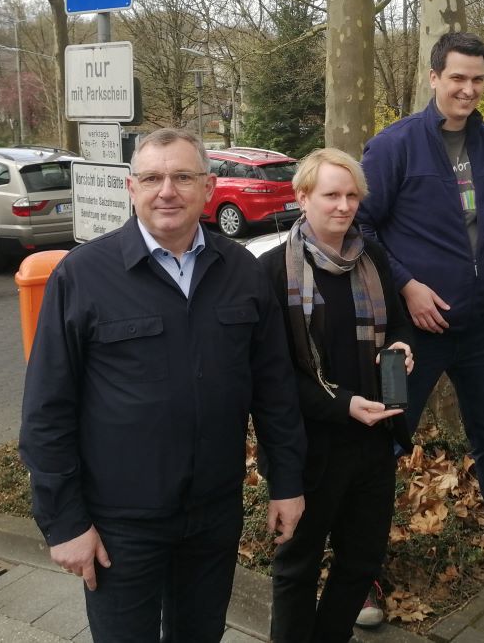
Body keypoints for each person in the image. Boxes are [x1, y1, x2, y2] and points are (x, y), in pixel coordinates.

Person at [19, 128, 306, 643]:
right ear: (132, 188)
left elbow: (274, 390)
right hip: (120, 522)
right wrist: (63, 522)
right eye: (151, 177)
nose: (166, 190)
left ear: (209, 186)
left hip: (214, 512)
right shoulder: (83, 276)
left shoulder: (241, 271)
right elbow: (46, 409)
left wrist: (286, 482)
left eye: (182, 177)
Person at [356, 31, 484, 611]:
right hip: (413, 334)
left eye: (477, 79)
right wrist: (407, 285)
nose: (468, 89)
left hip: (481, 327)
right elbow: (361, 229)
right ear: (434, 78)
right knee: (388, 445)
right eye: (458, 78)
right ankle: (365, 570)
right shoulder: (393, 146)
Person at [259, 147, 414, 643]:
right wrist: (341, 403)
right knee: (297, 567)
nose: (344, 206)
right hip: (309, 448)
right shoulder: (272, 272)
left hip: (373, 444)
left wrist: (402, 346)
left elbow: (399, 322)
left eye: (352, 196)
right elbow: (271, 375)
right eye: (331, 195)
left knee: (362, 560)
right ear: (303, 197)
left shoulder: (374, 259)